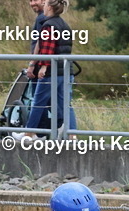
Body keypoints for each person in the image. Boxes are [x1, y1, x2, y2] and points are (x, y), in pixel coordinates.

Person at [15, 0, 78, 139]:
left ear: (49, 7)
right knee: (65, 104)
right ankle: (72, 135)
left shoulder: (48, 26)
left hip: (51, 72)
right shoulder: (64, 25)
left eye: (45, 4)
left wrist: (43, 66)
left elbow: (48, 49)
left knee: (38, 102)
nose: (43, 6)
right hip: (66, 70)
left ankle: (29, 133)